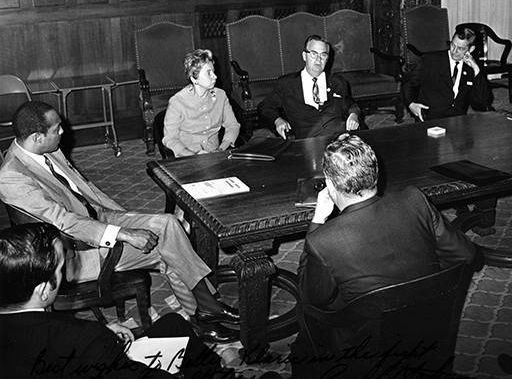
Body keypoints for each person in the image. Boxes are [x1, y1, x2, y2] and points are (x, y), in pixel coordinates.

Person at [0, 101, 239, 342]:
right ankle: (205, 310)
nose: (63, 131)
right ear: (37, 137)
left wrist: (128, 218)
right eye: (57, 128)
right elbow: (64, 222)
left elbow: (87, 190)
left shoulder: (45, 149)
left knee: (169, 226)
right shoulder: (12, 176)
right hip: (75, 252)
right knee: (171, 245)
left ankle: (203, 313)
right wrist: (124, 232)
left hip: (97, 217)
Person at [292, 133, 478, 377]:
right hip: (426, 329)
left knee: (304, 316)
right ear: (376, 173)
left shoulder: (322, 239)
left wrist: (317, 220)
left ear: (329, 182)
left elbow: (312, 297)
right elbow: (466, 255)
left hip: (363, 349)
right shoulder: (415, 199)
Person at [0, 223, 234, 379]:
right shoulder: (85, 337)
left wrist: (103, 334)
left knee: (174, 323)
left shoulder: (77, 334)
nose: (65, 275)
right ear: (42, 290)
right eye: (61, 269)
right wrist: (101, 341)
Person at [259, 34, 362, 140]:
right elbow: (265, 108)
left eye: (323, 55)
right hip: (306, 143)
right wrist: (277, 120)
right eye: (314, 54)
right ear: (304, 56)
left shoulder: (337, 82)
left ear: (327, 59)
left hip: (339, 140)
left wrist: (354, 114)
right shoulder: (287, 84)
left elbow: (350, 104)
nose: (318, 59)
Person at [161, 49, 240, 157]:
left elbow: (233, 126)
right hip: (187, 157)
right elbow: (170, 139)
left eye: (213, 71)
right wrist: (194, 154)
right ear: (194, 78)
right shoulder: (177, 102)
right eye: (208, 73)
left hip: (215, 155)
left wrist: (221, 148)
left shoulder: (221, 96)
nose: (215, 76)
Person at [403, 27, 492, 121]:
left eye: (461, 48)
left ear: (471, 49)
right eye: (453, 45)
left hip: (458, 120)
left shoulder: (471, 68)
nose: (454, 51)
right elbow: (408, 83)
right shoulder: (430, 60)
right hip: (430, 118)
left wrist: (476, 68)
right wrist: (411, 104)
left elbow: (482, 103)